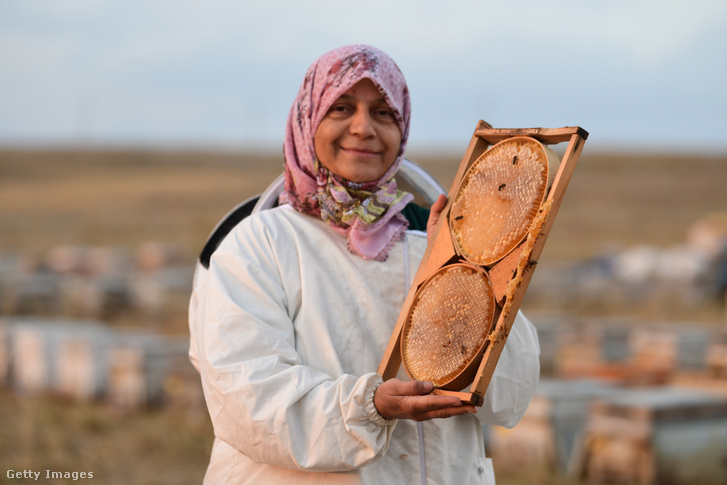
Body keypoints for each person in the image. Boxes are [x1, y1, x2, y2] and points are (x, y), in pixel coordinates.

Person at [189, 44, 540, 485]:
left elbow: (511, 392)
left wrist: (466, 272)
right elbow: (247, 396)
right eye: (341, 108)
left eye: (383, 112)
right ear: (307, 119)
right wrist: (371, 405)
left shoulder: (428, 241)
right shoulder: (259, 244)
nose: (363, 127)